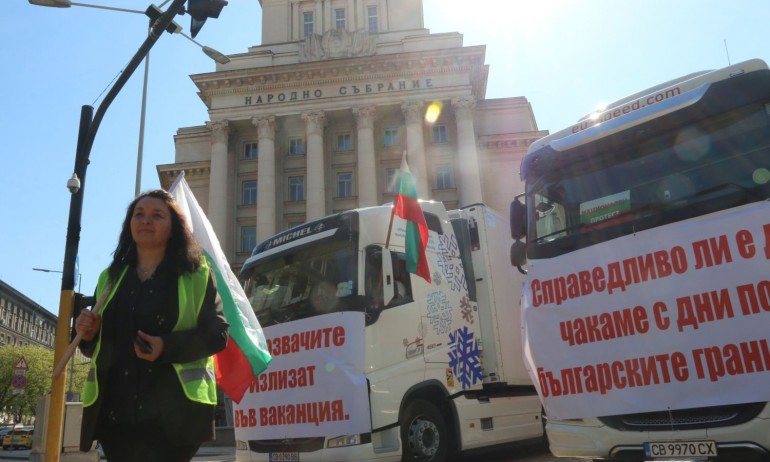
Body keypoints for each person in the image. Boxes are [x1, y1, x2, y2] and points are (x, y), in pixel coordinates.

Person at [74, 189, 229, 462]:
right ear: (129, 225)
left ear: (174, 228)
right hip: (115, 415)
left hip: (174, 417)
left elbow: (217, 334)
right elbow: (93, 348)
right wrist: (88, 333)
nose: (146, 220)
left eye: (157, 215)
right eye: (139, 214)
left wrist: (166, 347)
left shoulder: (197, 275)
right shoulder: (109, 278)